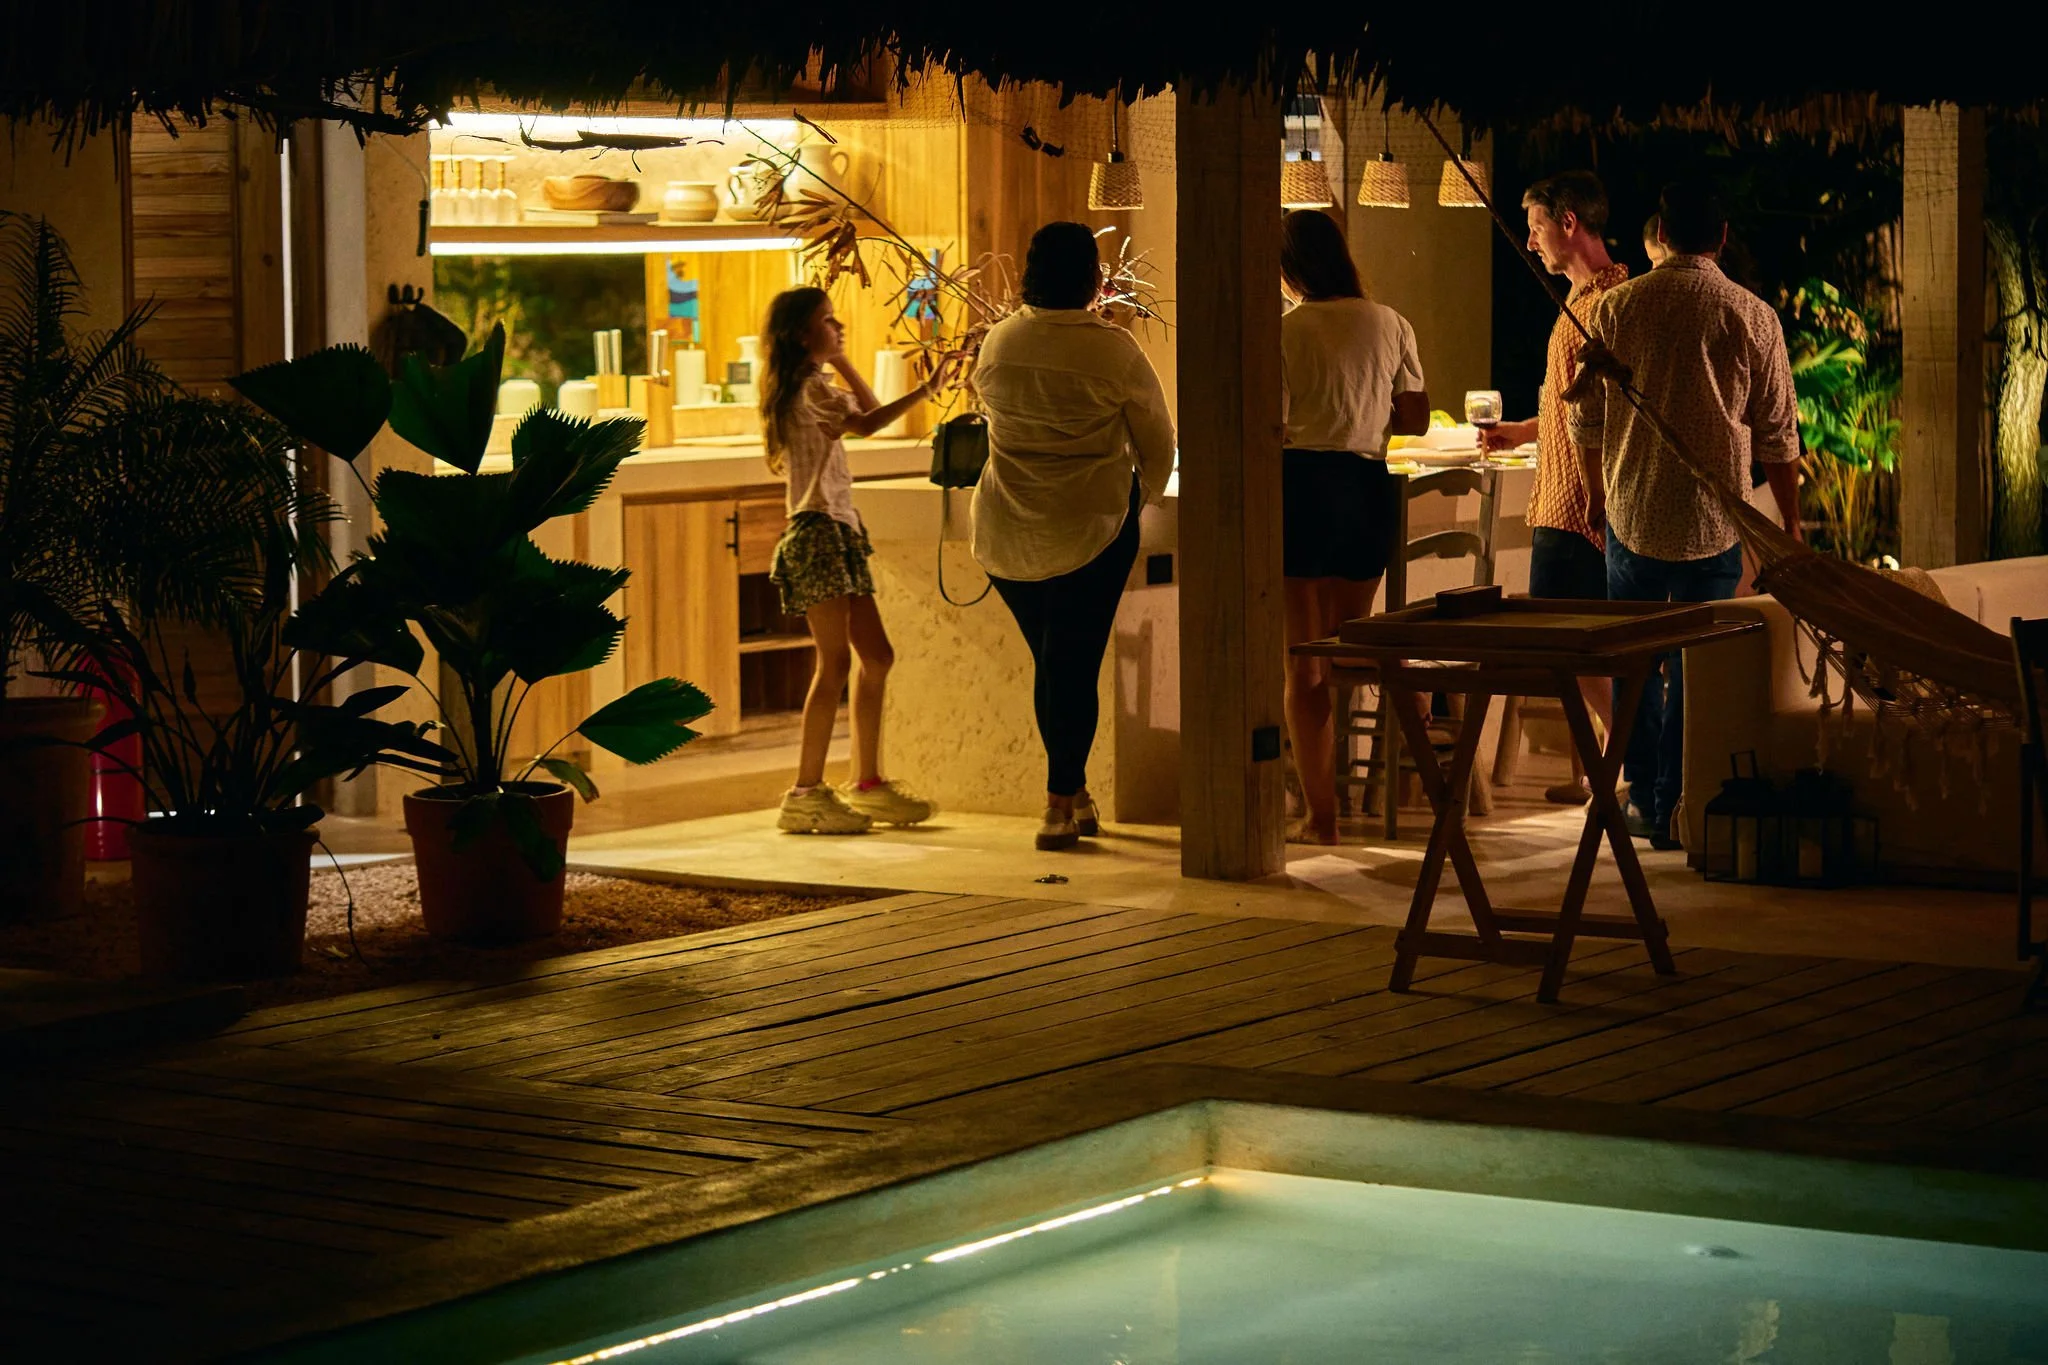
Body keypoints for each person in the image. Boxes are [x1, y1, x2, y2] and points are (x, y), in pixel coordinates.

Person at [1565, 182, 1802, 850]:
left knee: (1634, 660)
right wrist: (1789, 522)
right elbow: (1777, 433)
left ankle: (1643, 793)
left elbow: (1585, 417)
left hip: (1633, 509)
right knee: (1696, 668)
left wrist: (1594, 495)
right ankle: (1680, 797)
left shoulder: (1617, 307)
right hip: (1715, 517)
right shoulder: (1751, 315)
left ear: (1661, 233)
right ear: (1722, 237)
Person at [971, 222, 1176, 851]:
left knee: (1056, 664)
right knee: (1071, 665)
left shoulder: (1000, 341)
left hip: (1006, 528)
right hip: (1091, 527)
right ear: (1093, 275)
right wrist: (1138, 498)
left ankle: (1076, 794)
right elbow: (1158, 442)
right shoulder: (1112, 349)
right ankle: (1058, 805)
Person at [760, 286, 955, 834]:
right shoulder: (806, 390)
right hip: (818, 531)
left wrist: (842, 358)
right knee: (835, 664)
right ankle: (805, 792)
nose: (840, 326)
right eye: (829, 321)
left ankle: (867, 782)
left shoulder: (817, 383)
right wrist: (926, 390)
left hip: (840, 530)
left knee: (877, 656)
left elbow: (867, 411)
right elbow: (869, 424)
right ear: (802, 335)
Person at [1276, 208, 1430, 844]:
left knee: (1304, 668)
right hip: (1366, 489)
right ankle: (1411, 686)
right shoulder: (1390, 322)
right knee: (1350, 642)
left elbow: (1271, 422)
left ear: (1289, 269)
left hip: (1300, 489)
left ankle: (1323, 820)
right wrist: (1366, 412)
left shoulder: (1284, 331)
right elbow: (1416, 419)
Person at [1478, 171, 1626, 807]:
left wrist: (1595, 495)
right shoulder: (1582, 299)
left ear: (1569, 223)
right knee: (1576, 642)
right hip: (1566, 496)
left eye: (1536, 227)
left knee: (1568, 639)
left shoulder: (1608, 303)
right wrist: (1523, 430)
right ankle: (1609, 768)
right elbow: (1573, 403)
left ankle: (1630, 754)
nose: (1531, 241)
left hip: (1578, 505)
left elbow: (1606, 409)